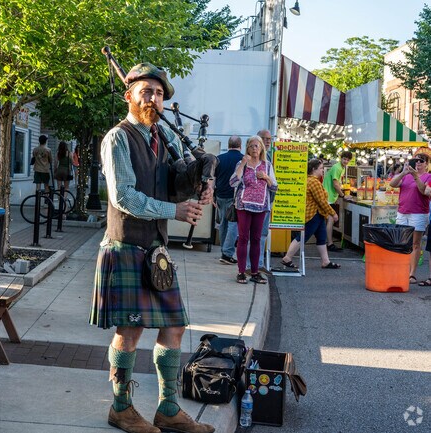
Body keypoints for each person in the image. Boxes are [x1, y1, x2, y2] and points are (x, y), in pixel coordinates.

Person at [90, 62, 214, 433]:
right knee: (130, 332)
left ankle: (168, 407)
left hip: (155, 251)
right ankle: (121, 407)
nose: (154, 98)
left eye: (159, 93)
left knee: (174, 326)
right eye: (146, 91)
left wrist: (199, 180)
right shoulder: (117, 138)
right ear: (129, 95)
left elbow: (176, 180)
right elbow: (123, 195)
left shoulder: (165, 138)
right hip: (125, 245)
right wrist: (174, 210)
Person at [230, 135, 278, 284]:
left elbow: (274, 187)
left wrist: (265, 177)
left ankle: (255, 272)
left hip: (261, 206)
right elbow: (232, 182)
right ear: (247, 149)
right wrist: (242, 163)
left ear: (262, 148)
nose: (254, 148)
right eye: (251, 146)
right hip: (243, 204)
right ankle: (242, 272)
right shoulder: (242, 163)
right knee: (243, 238)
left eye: (257, 146)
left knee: (256, 239)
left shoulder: (267, 165)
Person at [280, 159, 341, 269]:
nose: (323, 171)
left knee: (321, 237)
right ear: (314, 169)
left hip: (317, 214)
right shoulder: (314, 182)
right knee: (303, 237)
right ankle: (287, 258)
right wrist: (333, 213)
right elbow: (321, 201)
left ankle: (325, 261)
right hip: (313, 214)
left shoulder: (309, 180)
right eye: (321, 168)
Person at [389, 153, 431, 284]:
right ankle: (401, 270)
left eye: (421, 161)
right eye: (416, 160)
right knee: (401, 241)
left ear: (426, 164)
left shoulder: (428, 176)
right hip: (402, 211)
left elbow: (424, 190)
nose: (418, 163)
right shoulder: (406, 175)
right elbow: (392, 184)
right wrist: (403, 172)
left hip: (418, 213)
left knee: (415, 243)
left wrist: (415, 176)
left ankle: (412, 274)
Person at [215, 135, 244, 265]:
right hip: (234, 198)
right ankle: (227, 253)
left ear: (228, 144)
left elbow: (213, 179)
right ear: (240, 145)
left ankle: (224, 250)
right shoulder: (243, 160)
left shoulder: (219, 159)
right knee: (233, 225)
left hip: (220, 196)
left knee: (223, 224)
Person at [322, 151, 352, 251]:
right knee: (330, 219)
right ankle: (329, 244)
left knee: (328, 220)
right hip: (328, 197)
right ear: (341, 158)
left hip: (330, 197)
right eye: (344, 159)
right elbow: (335, 184)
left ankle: (326, 243)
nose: (346, 161)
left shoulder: (341, 168)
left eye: (348, 160)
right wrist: (343, 195)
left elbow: (337, 184)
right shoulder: (337, 168)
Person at [256, 129, 274, 270]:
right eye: (265, 138)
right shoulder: (252, 160)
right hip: (254, 203)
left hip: (265, 202)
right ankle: (253, 265)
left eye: (269, 139)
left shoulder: (268, 159)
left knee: (262, 234)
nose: (268, 141)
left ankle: (258, 263)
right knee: (254, 235)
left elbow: (273, 185)